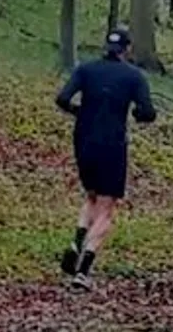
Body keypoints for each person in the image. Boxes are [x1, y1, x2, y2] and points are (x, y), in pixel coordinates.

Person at [55, 26, 156, 288]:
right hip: (112, 144)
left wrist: (80, 112)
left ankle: (77, 241)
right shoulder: (134, 76)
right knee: (107, 207)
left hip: (83, 140)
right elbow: (147, 112)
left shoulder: (86, 70)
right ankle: (83, 271)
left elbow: (63, 98)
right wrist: (137, 114)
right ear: (128, 49)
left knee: (91, 196)